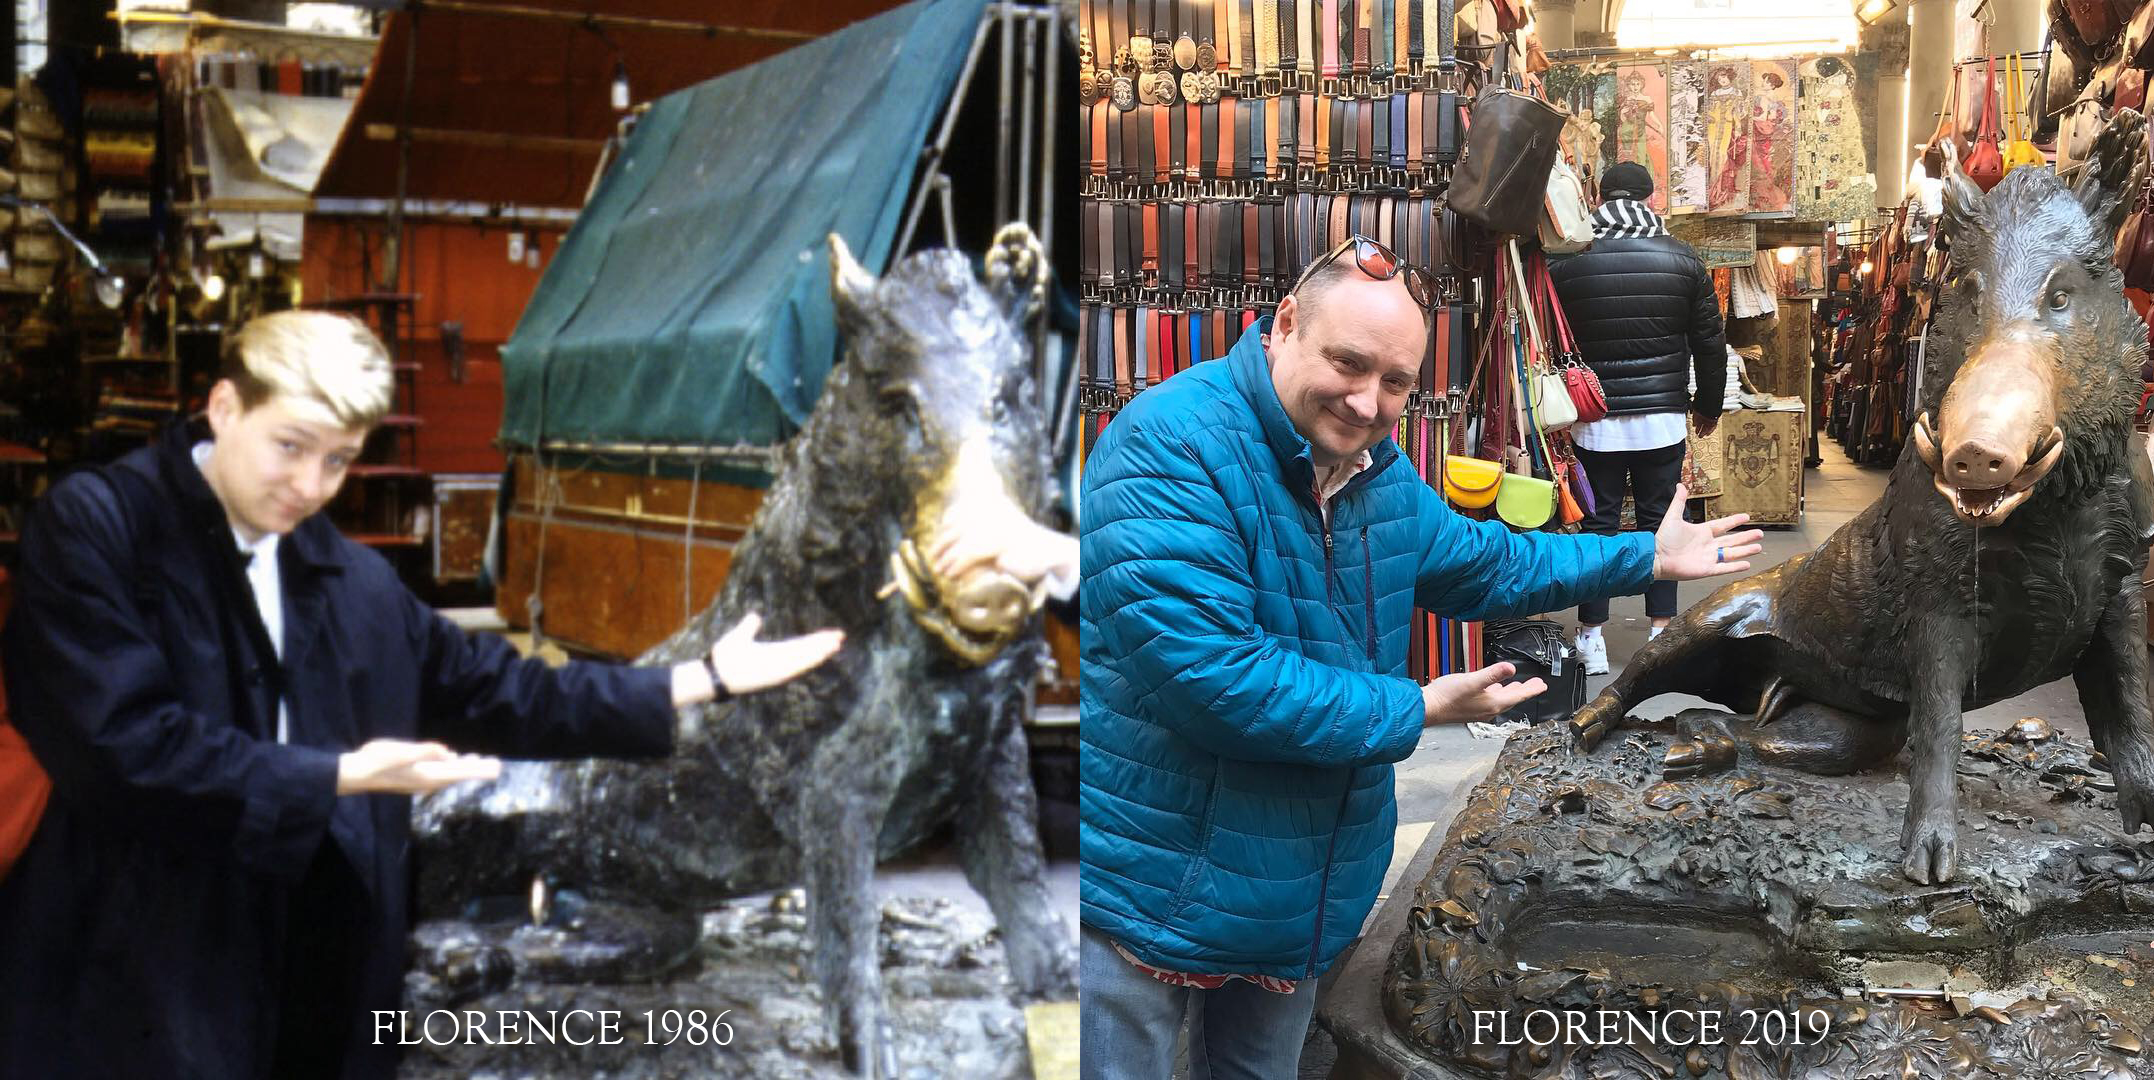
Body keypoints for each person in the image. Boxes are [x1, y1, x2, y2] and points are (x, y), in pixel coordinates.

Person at [0, 311, 846, 1079]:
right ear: (223, 407)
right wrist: (339, 777)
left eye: (338, 459)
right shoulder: (99, 529)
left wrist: (700, 679)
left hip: (310, 955)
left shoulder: (345, 577)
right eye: (289, 445)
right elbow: (121, 747)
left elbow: (502, 689)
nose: (311, 485)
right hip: (137, 946)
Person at [1078, 235, 1764, 1077]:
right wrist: (1419, 709)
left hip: (1300, 895)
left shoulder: (1373, 470)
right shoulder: (1168, 447)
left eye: (1396, 382)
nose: (1368, 402)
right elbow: (1212, 679)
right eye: (1349, 364)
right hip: (1159, 887)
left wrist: (1643, 560)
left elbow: (1486, 563)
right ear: (1285, 322)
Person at [1549, 162, 1729, 675]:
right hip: (1663, 420)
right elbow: (1710, 345)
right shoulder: (1683, 261)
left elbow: (1552, 340)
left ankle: (1591, 637)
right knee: (1660, 524)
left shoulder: (1569, 263)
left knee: (1600, 527)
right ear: (1651, 199)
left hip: (1593, 419)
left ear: (1599, 197)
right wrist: (1708, 406)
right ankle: (1660, 632)